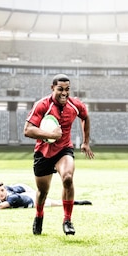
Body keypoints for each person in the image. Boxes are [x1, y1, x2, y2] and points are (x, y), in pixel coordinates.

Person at [24, 73, 94, 235]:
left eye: (67, 89)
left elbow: (85, 117)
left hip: (64, 149)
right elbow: (27, 130)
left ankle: (67, 220)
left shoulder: (75, 105)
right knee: (42, 191)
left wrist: (85, 142)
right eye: (60, 89)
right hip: (43, 152)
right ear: (52, 88)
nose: (64, 93)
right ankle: (39, 216)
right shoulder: (42, 105)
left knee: (68, 178)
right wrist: (50, 135)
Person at [0, 182, 92, 210]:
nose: (1, 193)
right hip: (26, 194)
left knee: (58, 203)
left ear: (5, 190)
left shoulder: (12, 197)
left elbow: (1, 206)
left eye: (2, 190)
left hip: (33, 199)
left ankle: (79, 202)